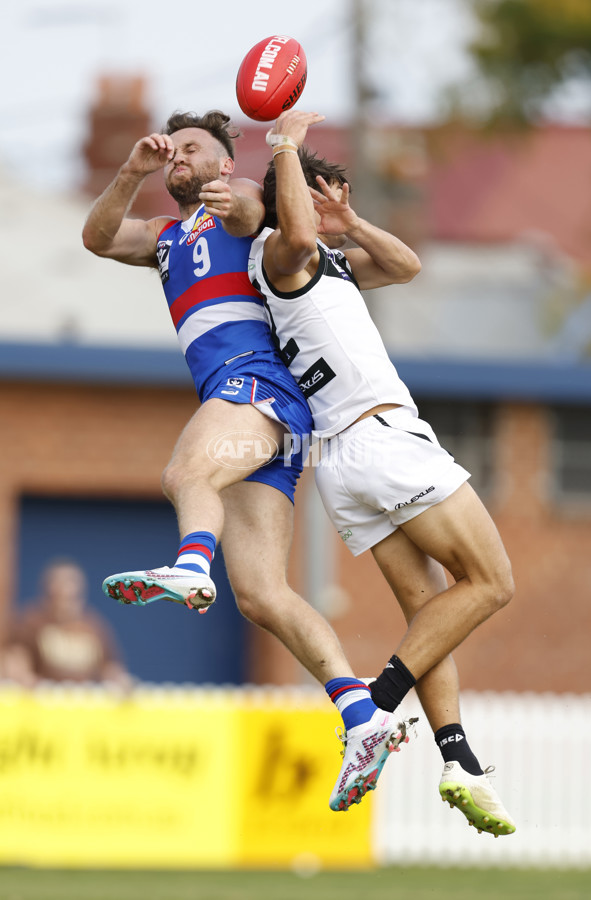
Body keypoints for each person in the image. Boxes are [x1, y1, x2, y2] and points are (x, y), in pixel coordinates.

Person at [82, 109, 415, 813]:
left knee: (184, 474)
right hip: (269, 425)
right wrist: (134, 169)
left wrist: (243, 192)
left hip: (254, 386)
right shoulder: (166, 237)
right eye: (174, 148)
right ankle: (363, 720)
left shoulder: (237, 202)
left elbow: (251, 210)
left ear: (223, 160)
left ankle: (189, 567)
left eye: (193, 148)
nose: (179, 155)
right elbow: (98, 237)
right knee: (263, 596)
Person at [247, 108, 516, 836]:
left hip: (348, 461)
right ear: (296, 194)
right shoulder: (282, 252)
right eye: (325, 190)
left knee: (430, 616)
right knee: (493, 582)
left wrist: (353, 223)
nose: (338, 203)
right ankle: (379, 704)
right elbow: (299, 230)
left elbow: (406, 265)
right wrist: (285, 147)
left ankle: (456, 757)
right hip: (382, 440)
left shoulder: (330, 261)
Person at [1, 559, 131, 688]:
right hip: (42, 700)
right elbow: (16, 665)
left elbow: (111, 668)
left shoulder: (93, 625)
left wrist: (119, 681)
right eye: (58, 596)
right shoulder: (30, 623)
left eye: (71, 598)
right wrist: (30, 681)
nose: (65, 606)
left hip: (83, 701)